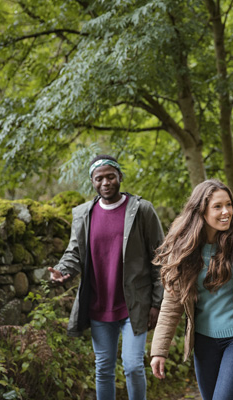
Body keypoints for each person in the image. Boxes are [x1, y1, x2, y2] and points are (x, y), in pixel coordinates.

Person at [149, 179, 233, 400]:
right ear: (200, 211)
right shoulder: (184, 249)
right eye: (218, 206)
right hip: (204, 342)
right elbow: (171, 305)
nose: (226, 212)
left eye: (229, 205)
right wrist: (159, 350)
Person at [48, 155, 164, 400]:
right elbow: (74, 253)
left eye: (110, 176)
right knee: (103, 368)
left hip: (134, 304)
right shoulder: (83, 214)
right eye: (98, 178)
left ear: (120, 177)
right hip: (99, 305)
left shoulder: (141, 210)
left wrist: (157, 302)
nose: (105, 182)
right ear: (92, 181)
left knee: (132, 367)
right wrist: (62, 270)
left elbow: (160, 257)